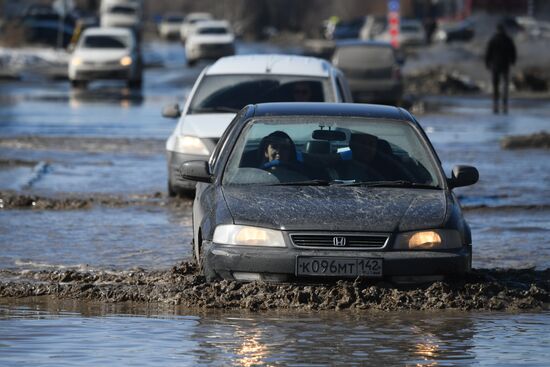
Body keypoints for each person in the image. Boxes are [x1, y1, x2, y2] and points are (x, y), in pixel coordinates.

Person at [485, 23, 517, 114]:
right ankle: (504, 100)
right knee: (504, 84)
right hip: (504, 64)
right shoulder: (507, 39)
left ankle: (496, 100)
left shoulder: (494, 39)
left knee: (496, 84)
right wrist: (513, 61)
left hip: (495, 65)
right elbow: (513, 51)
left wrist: (487, 63)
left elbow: (488, 52)